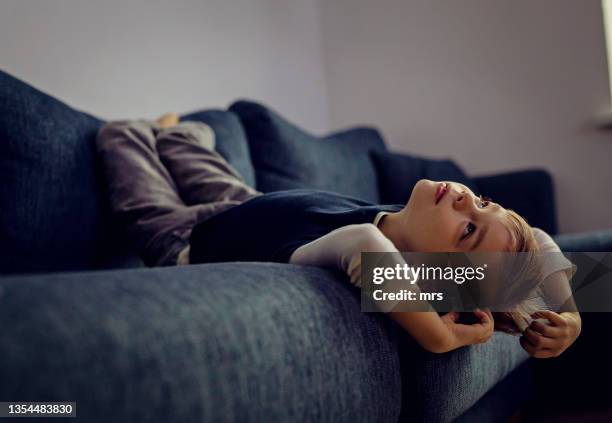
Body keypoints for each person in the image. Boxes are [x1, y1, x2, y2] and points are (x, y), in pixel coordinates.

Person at [96, 114, 581, 357]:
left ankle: (148, 133)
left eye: (470, 228)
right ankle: (178, 135)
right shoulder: (411, 225)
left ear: (430, 271)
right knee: (191, 147)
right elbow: (536, 235)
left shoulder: (380, 253)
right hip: (248, 204)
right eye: (483, 202)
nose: (465, 198)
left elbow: (364, 246)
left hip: (187, 242)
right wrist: (570, 315)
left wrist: (439, 336)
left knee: (120, 136)